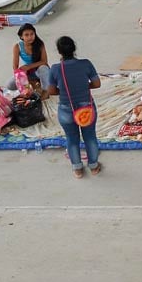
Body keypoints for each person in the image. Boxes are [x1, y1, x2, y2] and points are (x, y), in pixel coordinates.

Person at [47, 36, 101, 178]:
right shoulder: (86, 64)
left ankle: (77, 169)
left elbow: (51, 91)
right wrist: (83, 87)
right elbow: (96, 84)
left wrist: (65, 91)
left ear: (59, 52)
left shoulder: (56, 68)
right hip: (86, 107)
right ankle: (94, 166)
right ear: (74, 49)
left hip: (66, 108)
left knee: (71, 139)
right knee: (90, 137)